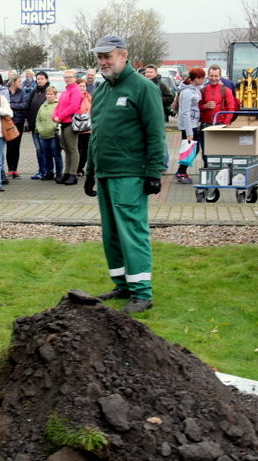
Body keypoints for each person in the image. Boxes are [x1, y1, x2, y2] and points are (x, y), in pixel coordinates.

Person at [85, 35, 165, 314]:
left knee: (132, 232)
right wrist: (90, 170)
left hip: (130, 173)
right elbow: (96, 134)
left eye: (108, 56)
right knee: (112, 234)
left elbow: (155, 133)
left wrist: (154, 172)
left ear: (123, 55)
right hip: (106, 173)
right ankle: (123, 285)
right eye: (100, 57)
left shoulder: (143, 88)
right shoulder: (102, 90)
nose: (103, 62)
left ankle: (142, 292)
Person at [174, 67, 205, 184]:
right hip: (188, 125)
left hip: (193, 123)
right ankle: (181, 172)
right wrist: (189, 132)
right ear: (197, 79)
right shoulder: (187, 92)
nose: (203, 80)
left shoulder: (195, 88)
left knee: (193, 149)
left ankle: (182, 171)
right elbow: (185, 112)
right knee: (190, 149)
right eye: (202, 78)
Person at [52, 69, 81, 185]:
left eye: (70, 77)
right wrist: (54, 115)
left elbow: (73, 107)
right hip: (63, 123)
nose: (68, 79)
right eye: (66, 77)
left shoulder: (76, 90)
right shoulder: (65, 91)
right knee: (67, 150)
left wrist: (60, 117)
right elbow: (58, 105)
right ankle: (67, 172)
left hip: (70, 123)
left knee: (73, 149)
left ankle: (73, 174)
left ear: (75, 78)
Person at [34, 86, 63, 182]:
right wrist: (39, 128)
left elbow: (60, 118)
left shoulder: (58, 105)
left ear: (55, 95)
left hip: (53, 135)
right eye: (47, 94)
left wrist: (55, 127)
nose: (49, 96)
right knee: (47, 155)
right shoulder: (43, 106)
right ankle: (49, 172)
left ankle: (59, 173)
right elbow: (38, 119)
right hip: (43, 135)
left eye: (51, 94)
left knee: (56, 155)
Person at [27, 71, 50, 179]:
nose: (40, 81)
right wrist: (29, 124)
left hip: (46, 127)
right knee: (39, 149)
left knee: (46, 149)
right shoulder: (34, 92)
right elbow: (28, 107)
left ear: (46, 80)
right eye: (38, 79)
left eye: (42, 78)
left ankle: (49, 171)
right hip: (34, 127)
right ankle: (41, 171)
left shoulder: (49, 92)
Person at [5, 75, 28, 179]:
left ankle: (15, 169)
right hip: (8, 122)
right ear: (13, 82)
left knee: (16, 146)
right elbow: (4, 105)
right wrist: (11, 106)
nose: (21, 83)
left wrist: (12, 105)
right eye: (19, 81)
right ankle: (10, 169)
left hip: (19, 121)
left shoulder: (22, 92)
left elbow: (25, 105)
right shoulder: (5, 92)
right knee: (10, 146)